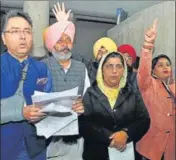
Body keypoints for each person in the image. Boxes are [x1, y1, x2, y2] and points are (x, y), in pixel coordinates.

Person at [79, 51, 150, 160]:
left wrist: (126, 133)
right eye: (109, 66)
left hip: (127, 152)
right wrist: (109, 137)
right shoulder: (91, 93)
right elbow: (83, 123)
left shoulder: (133, 92)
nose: (114, 71)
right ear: (102, 69)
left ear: (124, 70)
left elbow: (144, 120)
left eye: (119, 66)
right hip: (97, 153)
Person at [1, 10, 52, 160]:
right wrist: (20, 112)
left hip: (36, 148)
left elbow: (49, 102)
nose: (22, 36)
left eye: (27, 31)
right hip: (5, 148)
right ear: (4, 38)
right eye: (15, 31)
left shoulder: (42, 68)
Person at [43, 2, 90, 160]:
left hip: (74, 139)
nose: (64, 45)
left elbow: (88, 99)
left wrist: (83, 106)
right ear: (51, 44)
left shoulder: (81, 67)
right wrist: (62, 23)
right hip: (47, 140)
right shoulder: (41, 66)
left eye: (68, 40)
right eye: (59, 40)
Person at [136, 19, 175, 160]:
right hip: (150, 149)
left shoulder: (173, 88)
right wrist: (148, 46)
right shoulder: (148, 85)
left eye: (168, 65)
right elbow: (143, 71)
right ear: (153, 70)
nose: (165, 67)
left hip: (171, 149)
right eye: (160, 65)